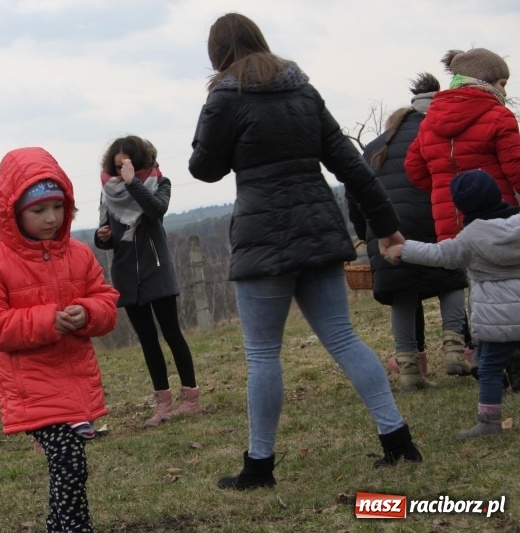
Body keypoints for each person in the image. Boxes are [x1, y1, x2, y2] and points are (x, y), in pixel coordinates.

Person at [188, 13, 422, 490]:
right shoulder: (302, 91)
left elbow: (204, 169)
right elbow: (351, 166)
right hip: (317, 229)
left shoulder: (224, 97)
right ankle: (398, 441)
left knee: (262, 354)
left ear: (217, 54)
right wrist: (386, 228)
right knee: (343, 337)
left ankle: (259, 468)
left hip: (263, 236)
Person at [0, 147, 120, 532]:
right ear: (13, 212)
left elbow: (106, 301)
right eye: (39, 210)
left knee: (69, 465)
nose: (51, 218)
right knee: (70, 463)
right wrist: (48, 320)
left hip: (75, 383)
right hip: (31, 388)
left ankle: (60, 526)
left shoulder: (79, 254)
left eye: (58, 207)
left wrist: (87, 312)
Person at [347, 73, 470, 389]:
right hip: (435, 219)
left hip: (386, 230)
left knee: (401, 291)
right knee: (450, 278)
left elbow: (355, 195)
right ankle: (455, 351)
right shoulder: (440, 133)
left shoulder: (376, 146)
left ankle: (410, 371)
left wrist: (367, 234)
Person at [404, 47, 520, 372]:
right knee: (510, 285)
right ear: (484, 81)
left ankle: (486, 359)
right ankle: (512, 362)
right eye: (502, 83)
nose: (504, 91)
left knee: (480, 290)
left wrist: (447, 192)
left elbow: (414, 168)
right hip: (499, 219)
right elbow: (516, 169)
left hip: (455, 223)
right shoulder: (499, 116)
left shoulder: (430, 122)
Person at [385, 169, 520, 439]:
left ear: (462, 207)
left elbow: (439, 254)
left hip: (497, 320)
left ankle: (489, 422)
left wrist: (403, 249)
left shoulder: (471, 237)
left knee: (490, 368)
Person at [94, 135, 200, 428]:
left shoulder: (159, 182)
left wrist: (132, 182)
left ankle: (190, 400)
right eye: (117, 167)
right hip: (127, 276)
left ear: (138, 162)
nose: (121, 171)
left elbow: (156, 210)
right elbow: (104, 234)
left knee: (172, 334)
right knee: (148, 341)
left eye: (126, 165)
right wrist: (102, 237)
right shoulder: (108, 192)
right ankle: (163, 404)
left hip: (157, 270)